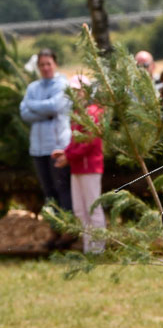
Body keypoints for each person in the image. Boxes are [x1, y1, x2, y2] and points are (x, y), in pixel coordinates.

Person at [51, 75, 106, 253]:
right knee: (80, 210)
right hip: (77, 167)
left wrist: (68, 156)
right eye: (73, 91)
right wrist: (65, 153)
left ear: (87, 92)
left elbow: (89, 141)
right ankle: (88, 247)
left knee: (93, 208)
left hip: (90, 167)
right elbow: (75, 141)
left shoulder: (93, 112)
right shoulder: (77, 114)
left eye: (79, 90)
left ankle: (98, 249)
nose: (76, 94)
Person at [20, 48, 72, 213]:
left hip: (57, 147)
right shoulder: (32, 87)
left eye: (48, 63)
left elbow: (55, 106)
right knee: (49, 191)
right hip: (38, 148)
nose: (45, 67)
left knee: (62, 188)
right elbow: (24, 113)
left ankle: (67, 224)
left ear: (55, 64)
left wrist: (32, 104)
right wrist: (46, 112)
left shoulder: (62, 85)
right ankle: (54, 225)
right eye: (42, 64)